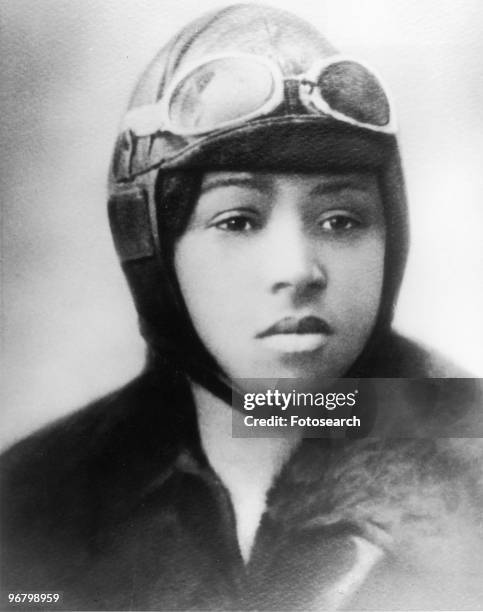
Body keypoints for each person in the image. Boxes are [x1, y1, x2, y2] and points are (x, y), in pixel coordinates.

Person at [1, 4, 482, 611]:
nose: (298, 272)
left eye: (342, 219)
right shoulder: (36, 497)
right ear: (152, 247)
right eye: (238, 219)